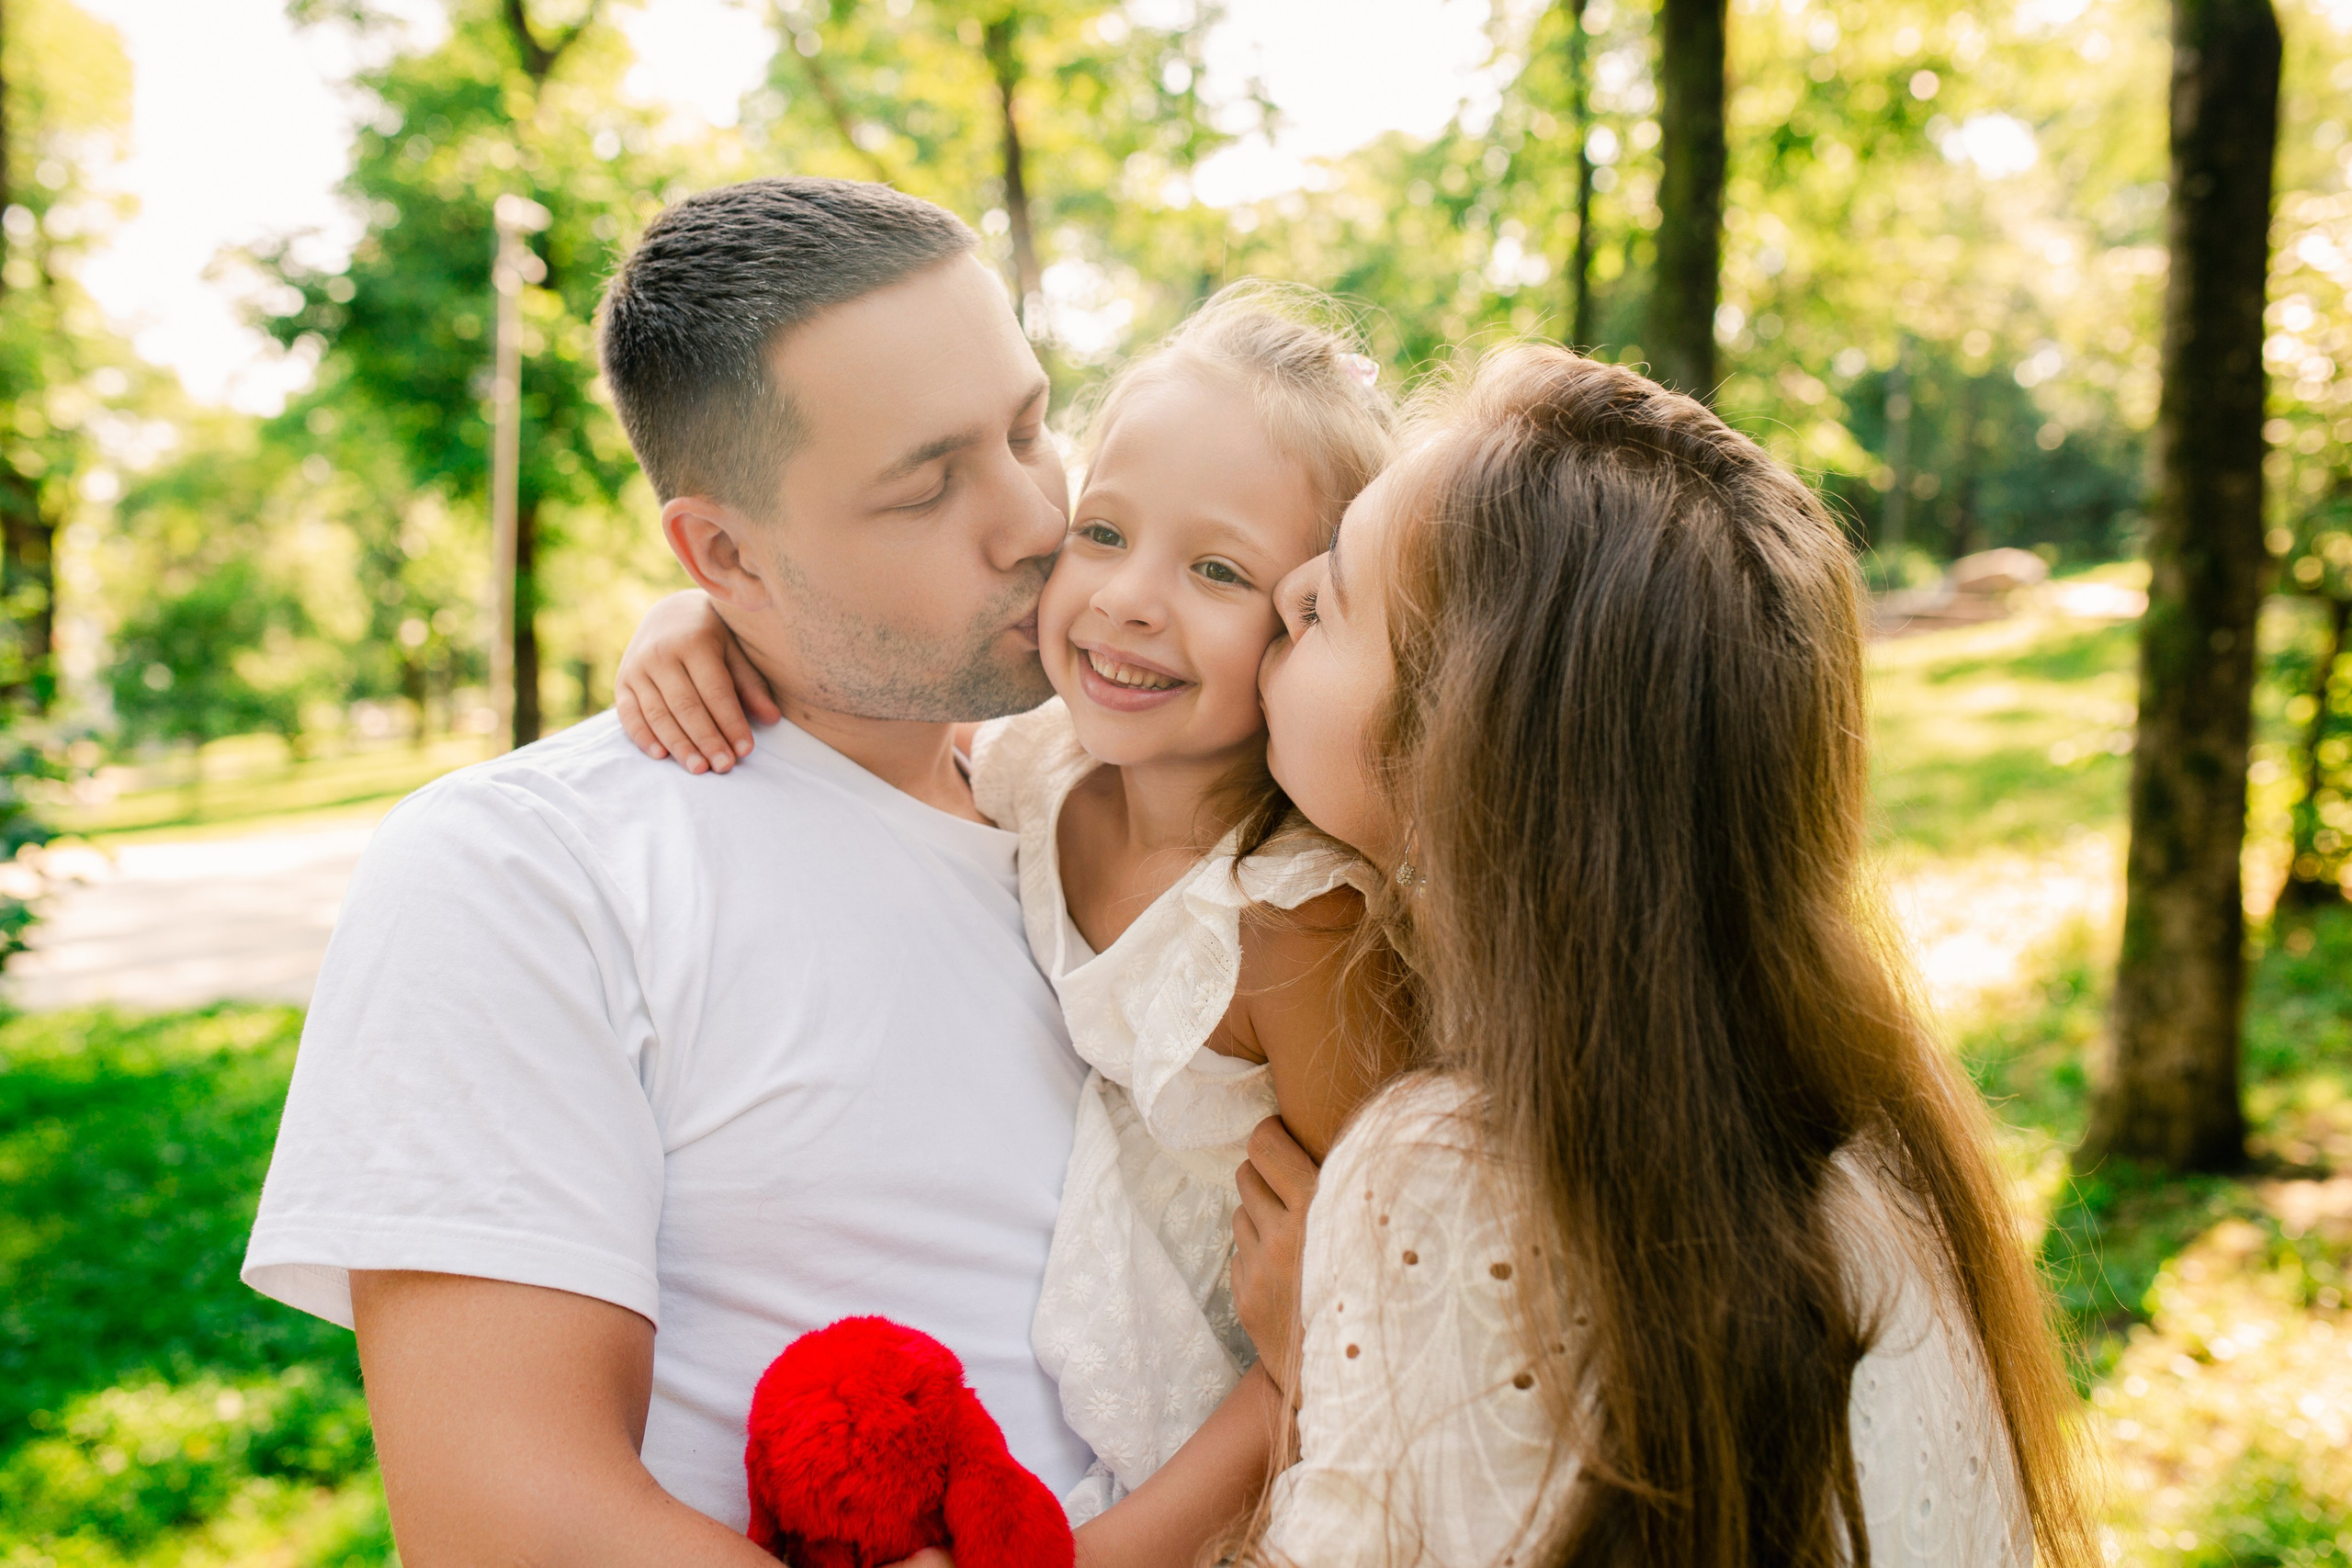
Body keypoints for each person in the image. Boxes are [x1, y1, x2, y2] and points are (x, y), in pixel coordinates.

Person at [239, 177, 1293, 1568]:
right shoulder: (525, 872)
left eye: (1033, 426)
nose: (1036, 517)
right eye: (927, 486)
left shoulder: (1121, 795)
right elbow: (508, 1522)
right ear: (724, 552)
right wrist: (1292, 1384)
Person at [1220, 345, 2094, 1567]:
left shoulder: (1449, 1173)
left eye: (1336, 602)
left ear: (1459, 762)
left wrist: (1311, 1371)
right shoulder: (1887, 1151)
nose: (1285, 592)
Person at [614, 284, 1412, 1523]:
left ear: (1309, 617)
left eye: (1215, 568)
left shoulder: (1290, 926)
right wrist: (698, 621)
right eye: (1102, 532)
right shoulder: (1037, 770)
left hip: (1247, 1449)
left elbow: (1364, 1314)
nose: (1129, 598)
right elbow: (836, 668)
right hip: (1078, 1397)